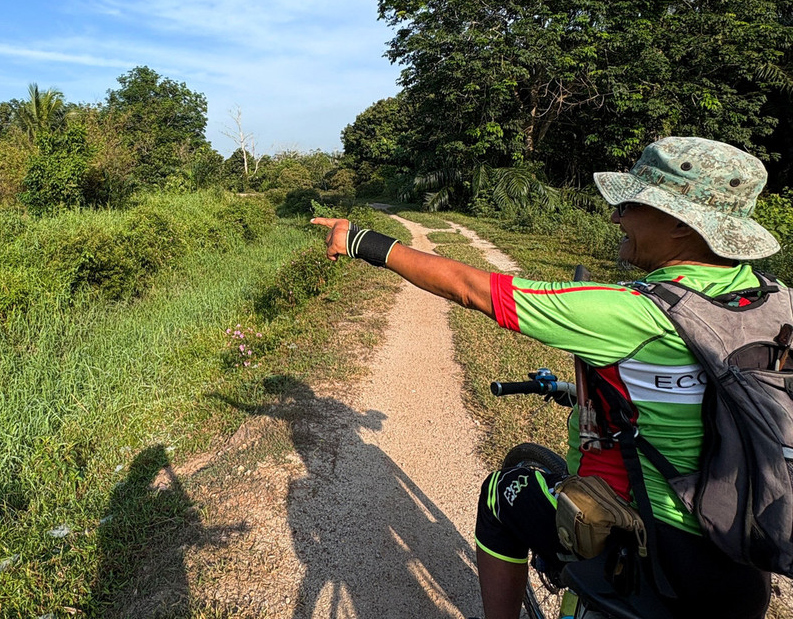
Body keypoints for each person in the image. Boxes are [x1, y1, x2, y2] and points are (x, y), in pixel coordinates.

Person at [312, 137, 778, 619]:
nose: (616, 216)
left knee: (501, 493)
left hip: (646, 549)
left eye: (631, 204)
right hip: (741, 558)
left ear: (682, 224)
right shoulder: (775, 302)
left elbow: (471, 287)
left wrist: (356, 240)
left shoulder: (633, 312)